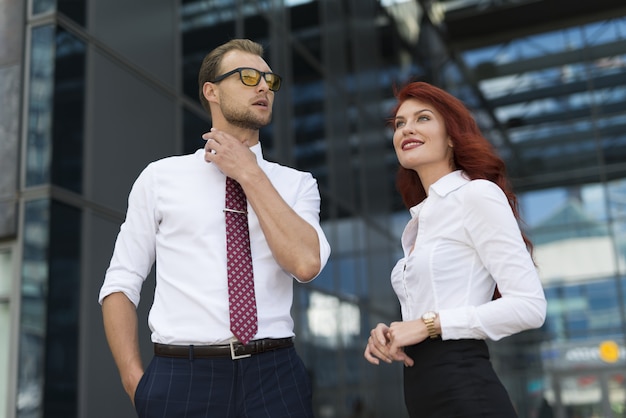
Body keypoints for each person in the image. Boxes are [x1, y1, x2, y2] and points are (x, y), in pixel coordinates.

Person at [99, 38, 330, 418]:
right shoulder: (160, 177)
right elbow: (120, 284)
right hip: (181, 376)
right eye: (249, 76)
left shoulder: (297, 184)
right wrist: (134, 380)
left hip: (275, 374)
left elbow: (305, 264)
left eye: (270, 81)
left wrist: (248, 173)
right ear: (212, 91)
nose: (263, 88)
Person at [363, 81, 547, 417]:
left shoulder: (476, 195)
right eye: (400, 123)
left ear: (451, 137)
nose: (407, 129)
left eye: (423, 118)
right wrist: (395, 332)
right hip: (422, 391)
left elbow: (530, 307)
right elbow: (433, 307)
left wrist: (426, 324)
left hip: (464, 390)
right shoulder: (421, 218)